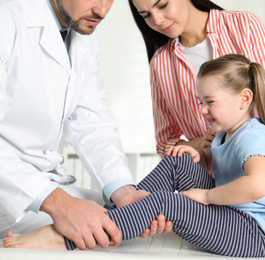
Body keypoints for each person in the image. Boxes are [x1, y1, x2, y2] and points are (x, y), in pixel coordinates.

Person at [3, 54, 265, 257]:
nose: (202, 110)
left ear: (244, 99)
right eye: (200, 102)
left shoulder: (253, 135)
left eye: (210, 102)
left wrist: (203, 198)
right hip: (232, 215)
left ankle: (66, 238)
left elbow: (257, 185)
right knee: (179, 161)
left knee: (170, 202)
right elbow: (225, 170)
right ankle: (120, 215)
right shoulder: (226, 133)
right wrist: (197, 155)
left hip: (253, 234)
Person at [129, 0, 265, 247]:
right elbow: (167, 142)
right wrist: (201, 144)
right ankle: (114, 214)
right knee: (175, 165)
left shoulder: (244, 26)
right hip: (214, 182)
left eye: (163, 5)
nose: (156, 20)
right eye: (145, 14)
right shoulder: (161, 62)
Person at [0, 0, 171, 250]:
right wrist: (61, 205)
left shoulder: (81, 29)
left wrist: (122, 191)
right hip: (10, 190)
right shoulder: (7, 19)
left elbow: (91, 121)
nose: (102, 11)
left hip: (43, 186)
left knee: (140, 217)